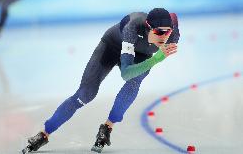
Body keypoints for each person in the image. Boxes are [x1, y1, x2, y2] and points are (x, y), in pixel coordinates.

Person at [22, 8, 180, 153]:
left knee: (134, 82)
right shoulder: (132, 27)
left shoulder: (172, 36)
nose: (164, 37)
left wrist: (157, 52)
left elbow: (174, 17)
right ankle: (44, 134)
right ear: (147, 27)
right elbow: (125, 73)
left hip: (141, 55)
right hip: (111, 47)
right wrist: (156, 59)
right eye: (159, 32)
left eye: (168, 32)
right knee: (85, 94)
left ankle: (107, 127)